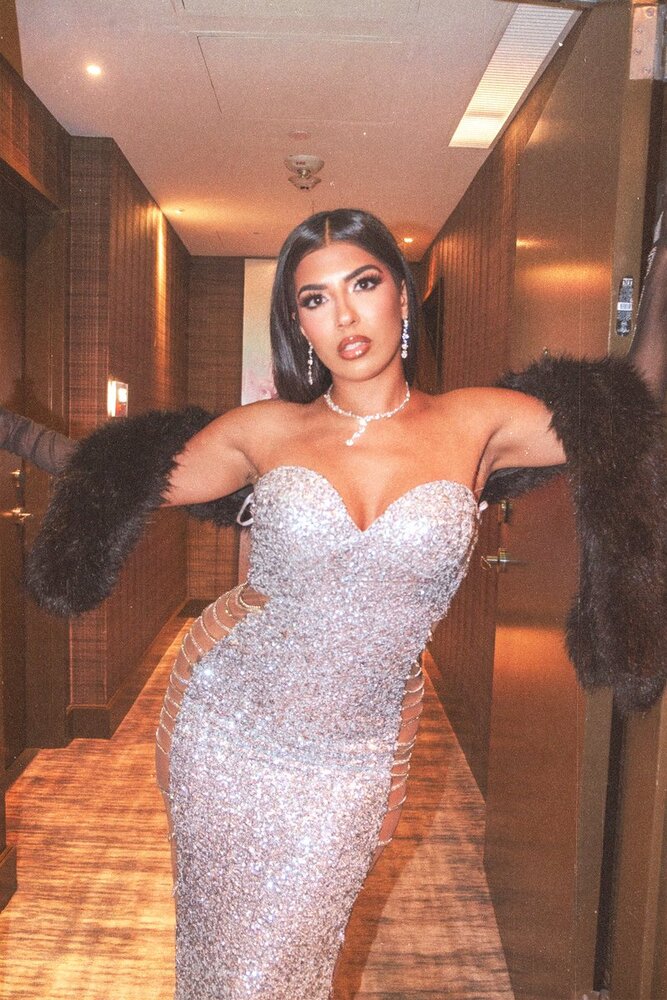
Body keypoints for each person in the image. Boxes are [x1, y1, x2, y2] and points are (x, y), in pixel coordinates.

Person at [3, 209, 666, 999]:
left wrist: (661, 262)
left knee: (287, 965)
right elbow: (107, 470)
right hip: (223, 734)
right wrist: (9, 427)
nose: (344, 315)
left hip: (347, 760)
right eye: (314, 299)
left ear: (402, 295)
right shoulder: (265, 430)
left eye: (363, 284)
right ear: (298, 324)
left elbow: (631, 407)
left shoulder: (479, 422)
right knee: (222, 964)